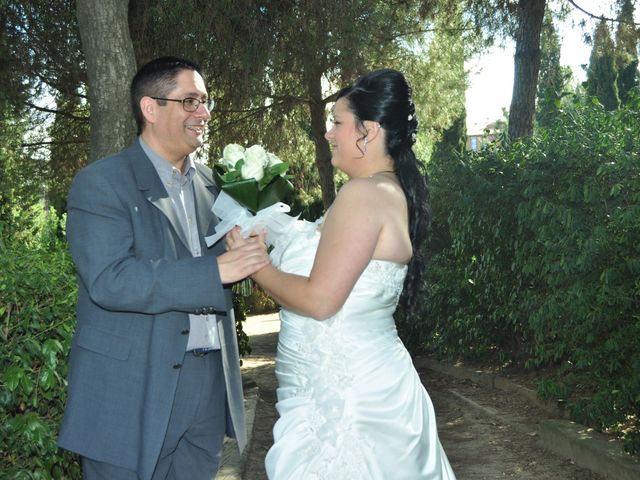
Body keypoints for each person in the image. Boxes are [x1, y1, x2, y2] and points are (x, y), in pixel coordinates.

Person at [228, 69, 456, 479]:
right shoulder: (384, 190)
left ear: (367, 131)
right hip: (360, 382)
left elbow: (320, 300)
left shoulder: (362, 194)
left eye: (337, 122)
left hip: (347, 402)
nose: (329, 133)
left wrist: (255, 264)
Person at [57, 56, 269, 480]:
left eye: (205, 101)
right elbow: (110, 280)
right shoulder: (101, 182)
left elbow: (226, 278)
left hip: (207, 389)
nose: (204, 113)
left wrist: (246, 256)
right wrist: (215, 272)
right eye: (190, 101)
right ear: (150, 109)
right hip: (129, 391)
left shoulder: (214, 186)